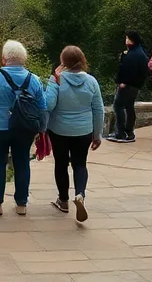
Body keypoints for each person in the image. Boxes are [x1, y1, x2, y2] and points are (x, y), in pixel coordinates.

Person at [0, 40, 46, 216]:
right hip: (24, 128)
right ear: (23, 58)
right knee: (22, 163)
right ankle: (21, 204)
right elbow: (42, 107)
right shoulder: (34, 79)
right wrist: (41, 129)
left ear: (5, 58)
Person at [44, 46, 104, 222]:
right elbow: (98, 109)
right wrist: (97, 134)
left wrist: (54, 79)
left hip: (59, 130)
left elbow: (48, 105)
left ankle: (63, 201)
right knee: (80, 164)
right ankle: (80, 195)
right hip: (84, 131)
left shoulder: (57, 80)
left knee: (61, 164)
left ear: (63, 62)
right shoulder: (91, 81)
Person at [111, 30, 150, 142]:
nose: (126, 41)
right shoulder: (138, 52)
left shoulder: (134, 54)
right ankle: (129, 132)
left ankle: (120, 132)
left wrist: (123, 82)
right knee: (129, 107)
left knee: (118, 106)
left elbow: (128, 70)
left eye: (128, 39)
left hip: (128, 85)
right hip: (135, 85)